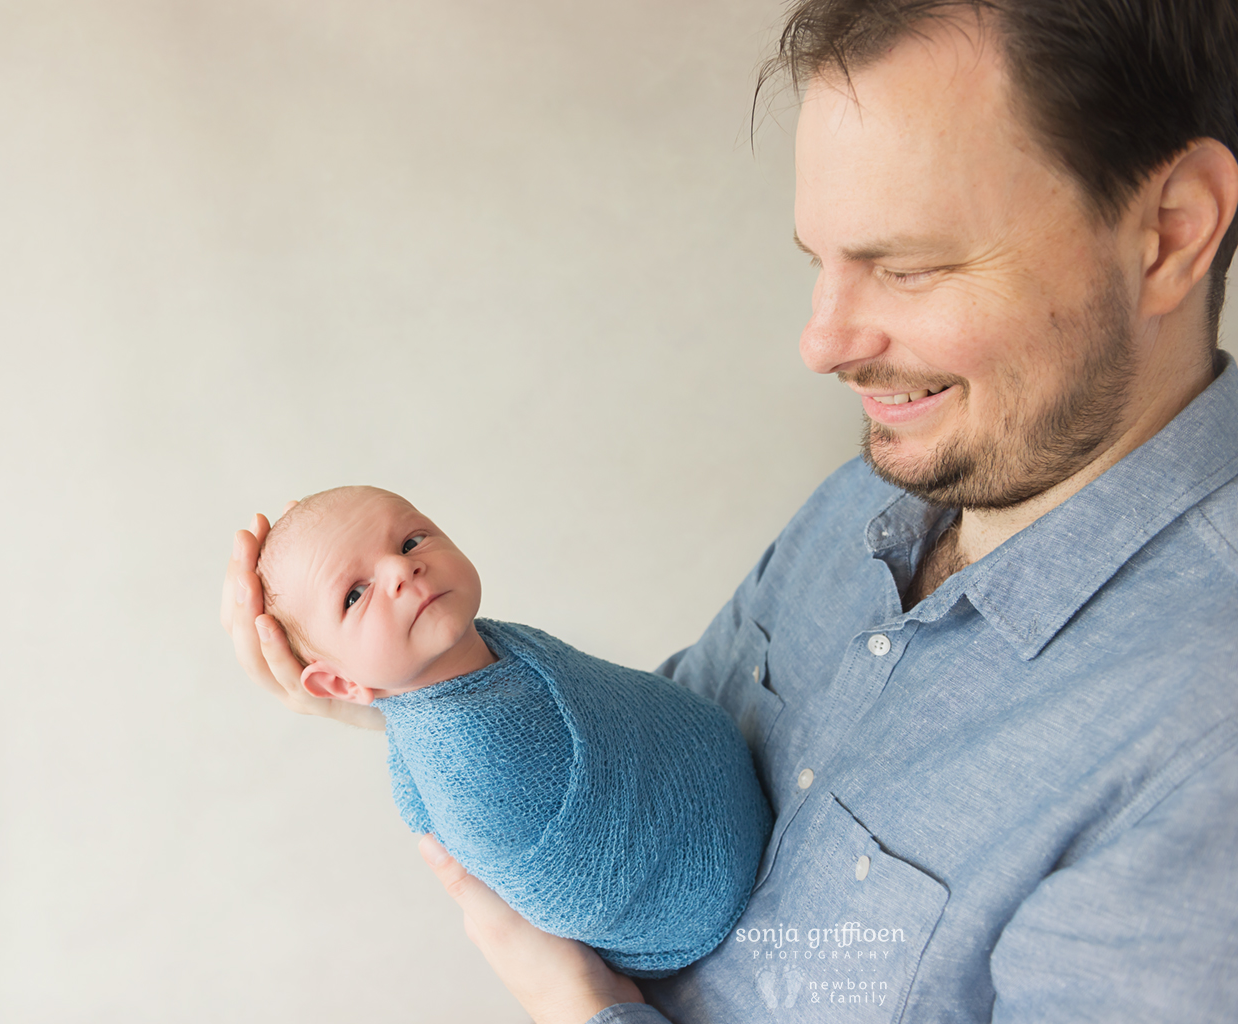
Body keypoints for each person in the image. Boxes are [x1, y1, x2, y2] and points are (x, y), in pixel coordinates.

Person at [222, 0, 1238, 1020]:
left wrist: (577, 1005)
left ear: (1166, 234)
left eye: (908, 265)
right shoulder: (883, 492)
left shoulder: (1202, 750)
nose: (822, 342)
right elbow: (658, 757)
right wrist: (411, 695)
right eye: (819, 262)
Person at [249, 485, 771, 978]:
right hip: (692, 897)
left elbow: (611, 705)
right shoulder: (467, 771)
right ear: (339, 681)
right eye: (355, 594)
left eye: (410, 540)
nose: (401, 568)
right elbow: (567, 890)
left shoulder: (486, 649)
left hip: (715, 773)